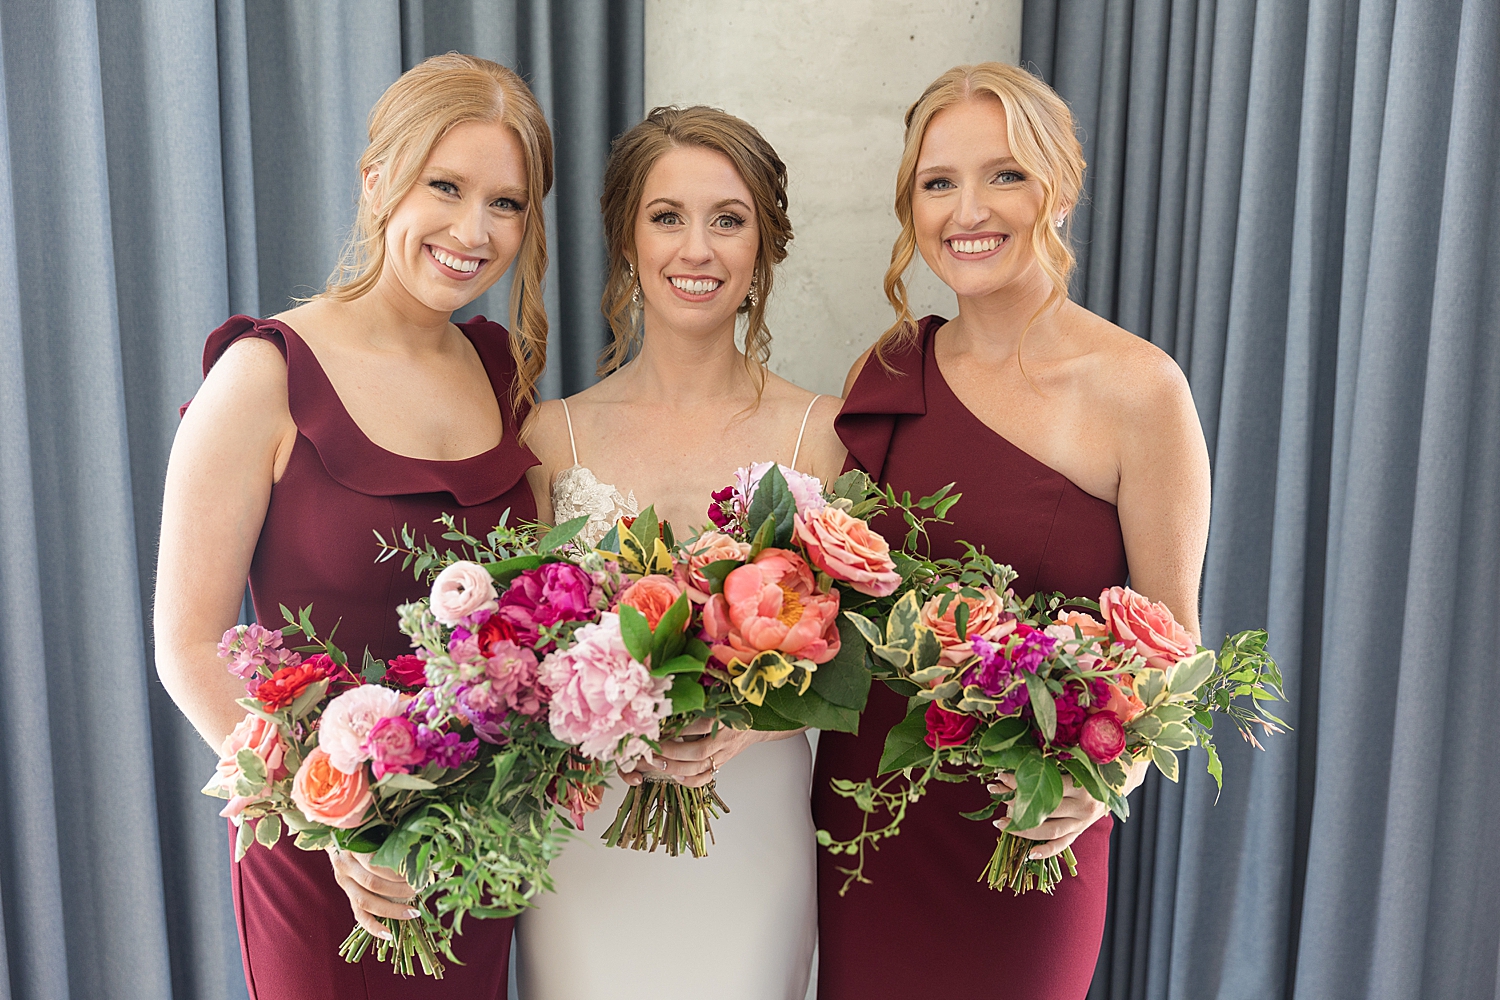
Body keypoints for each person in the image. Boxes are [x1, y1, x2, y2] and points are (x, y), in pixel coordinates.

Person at [154, 53, 553, 999]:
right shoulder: (262, 375)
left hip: (473, 841)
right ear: (378, 182)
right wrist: (335, 819)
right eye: (445, 186)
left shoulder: (505, 373)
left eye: (506, 202)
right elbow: (187, 644)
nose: (473, 230)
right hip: (318, 846)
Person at [811, 62, 1212, 999]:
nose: (967, 211)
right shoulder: (891, 368)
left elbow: (1174, 642)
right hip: (871, 825)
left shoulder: (1141, 390)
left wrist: (1106, 779)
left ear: (1059, 187)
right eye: (937, 183)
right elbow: (839, 606)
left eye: (1004, 175)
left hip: (1028, 830)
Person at [516, 105, 843, 1000]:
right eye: (667, 217)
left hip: (753, 826)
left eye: (727, 220)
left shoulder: (821, 432)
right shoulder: (553, 434)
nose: (695, 249)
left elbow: (857, 647)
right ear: (628, 237)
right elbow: (519, 651)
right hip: (588, 840)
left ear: (763, 247)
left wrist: (758, 714)